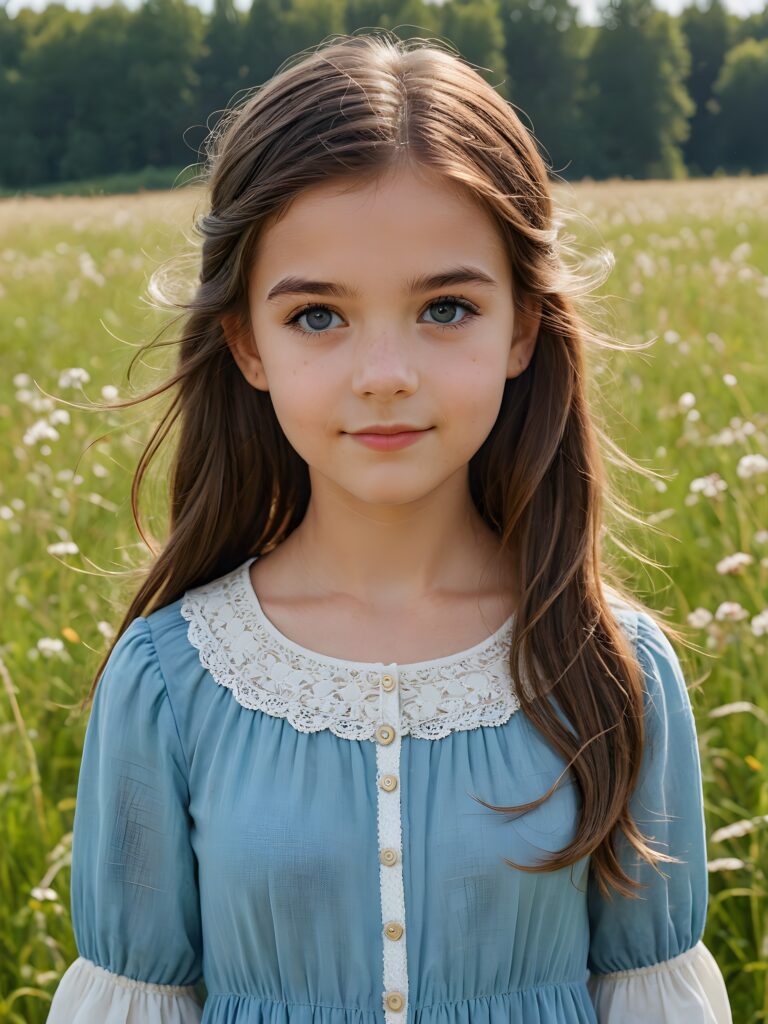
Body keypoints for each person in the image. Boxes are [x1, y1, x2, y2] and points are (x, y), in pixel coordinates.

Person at [46, 30, 732, 1024]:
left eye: (445, 307)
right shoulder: (168, 682)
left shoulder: (611, 667)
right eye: (317, 316)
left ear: (523, 327)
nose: (385, 374)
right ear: (245, 341)